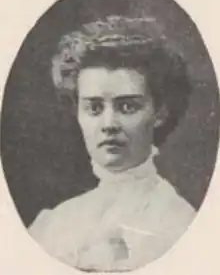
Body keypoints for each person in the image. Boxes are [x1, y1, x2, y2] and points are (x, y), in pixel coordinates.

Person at [28, 15, 196, 272]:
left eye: (127, 106)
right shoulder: (55, 223)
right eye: (94, 108)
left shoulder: (180, 225)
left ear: (159, 112)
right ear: (78, 113)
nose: (109, 123)